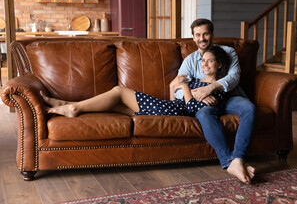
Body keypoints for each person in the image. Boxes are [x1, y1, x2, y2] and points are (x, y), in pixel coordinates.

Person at [41, 45, 229, 120]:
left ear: (219, 65)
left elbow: (192, 109)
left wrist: (186, 87)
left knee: (119, 91)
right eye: (203, 61)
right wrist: (175, 86)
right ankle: (68, 104)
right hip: (171, 108)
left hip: (175, 112)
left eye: (210, 61)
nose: (204, 64)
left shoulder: (217, 88)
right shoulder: (196, 80)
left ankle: (72, 108)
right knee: (113, 105)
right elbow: (176, 96)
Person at [172, 18, 256, 184]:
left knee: (249, 108)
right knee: (203, 114)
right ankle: (228, 161)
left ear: (212, 34)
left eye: (205, 34)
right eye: (197, 35)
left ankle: (237, 159)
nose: (202, 38)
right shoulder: (189, 60)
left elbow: (234, 77)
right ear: (193, 38)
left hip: (230, 97)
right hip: (206, 103)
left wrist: (211, 88)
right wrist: (198, 94)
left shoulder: (228, 52)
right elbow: (178, 87)